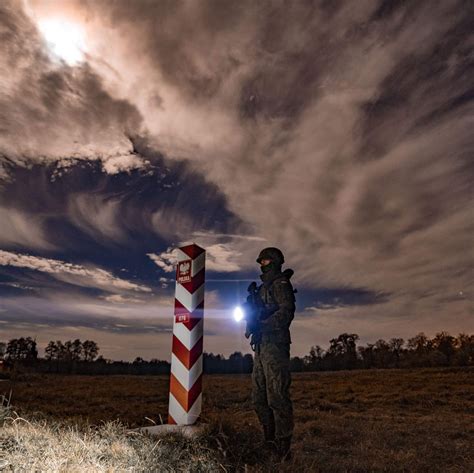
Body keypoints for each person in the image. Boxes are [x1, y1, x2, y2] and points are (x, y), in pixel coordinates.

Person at [251, 247, 296, 461]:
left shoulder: (280, 284)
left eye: (266, 260)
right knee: (259, 398)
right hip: (260, 346)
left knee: (277, 396)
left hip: (275, 345)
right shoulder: (261, 289)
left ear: (276, 261)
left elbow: (286, 312)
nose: (262, 263)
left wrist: (264, 325)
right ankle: (268, 441)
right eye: (261, 261)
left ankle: (283, 448)